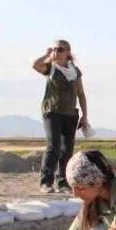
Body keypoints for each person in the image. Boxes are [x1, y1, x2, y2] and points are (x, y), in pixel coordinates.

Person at [32, 39, 88, 193]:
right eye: (55, 49)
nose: (56, 51)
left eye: (60, 49)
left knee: (67, 150)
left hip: (70, 113)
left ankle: (63, 182)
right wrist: (46, 54)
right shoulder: (51, 67)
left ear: (68, 52)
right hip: (52, 112)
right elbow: (35, 65)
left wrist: (85, 116)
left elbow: (81, 93)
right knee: (53, 146)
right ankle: (46, 182)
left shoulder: (74, 70)